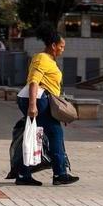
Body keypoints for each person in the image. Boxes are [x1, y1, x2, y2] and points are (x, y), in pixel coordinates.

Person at [16, 28, 79, 186]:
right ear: (53, 45)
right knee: (55, 133)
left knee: (36, 136)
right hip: (38, 100)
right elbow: (33, 81)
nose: (63, 49)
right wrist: (32, 106)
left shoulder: (49, 60)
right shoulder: (42, 58)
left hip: (44, 101)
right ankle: (59, 173)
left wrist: (58, 112)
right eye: (61, 46)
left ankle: (24, 174)